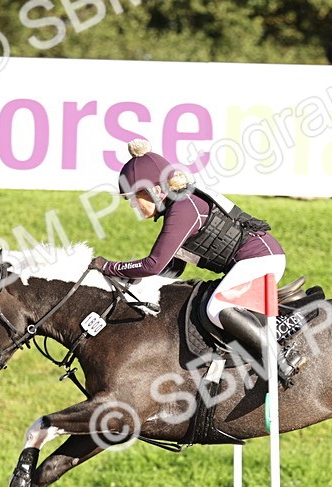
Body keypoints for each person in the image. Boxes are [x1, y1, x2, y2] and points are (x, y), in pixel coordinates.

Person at [92, 139, 303, 387]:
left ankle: (281, 358)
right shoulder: (180, 206)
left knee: (217, 308)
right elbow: (171, 268)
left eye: (135, 197)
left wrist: (108, 267)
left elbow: (154, 265)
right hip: (253, 259)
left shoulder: (183, 208)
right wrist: (128, 284)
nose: (133, 205)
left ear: (155, 191)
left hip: (261, 258)